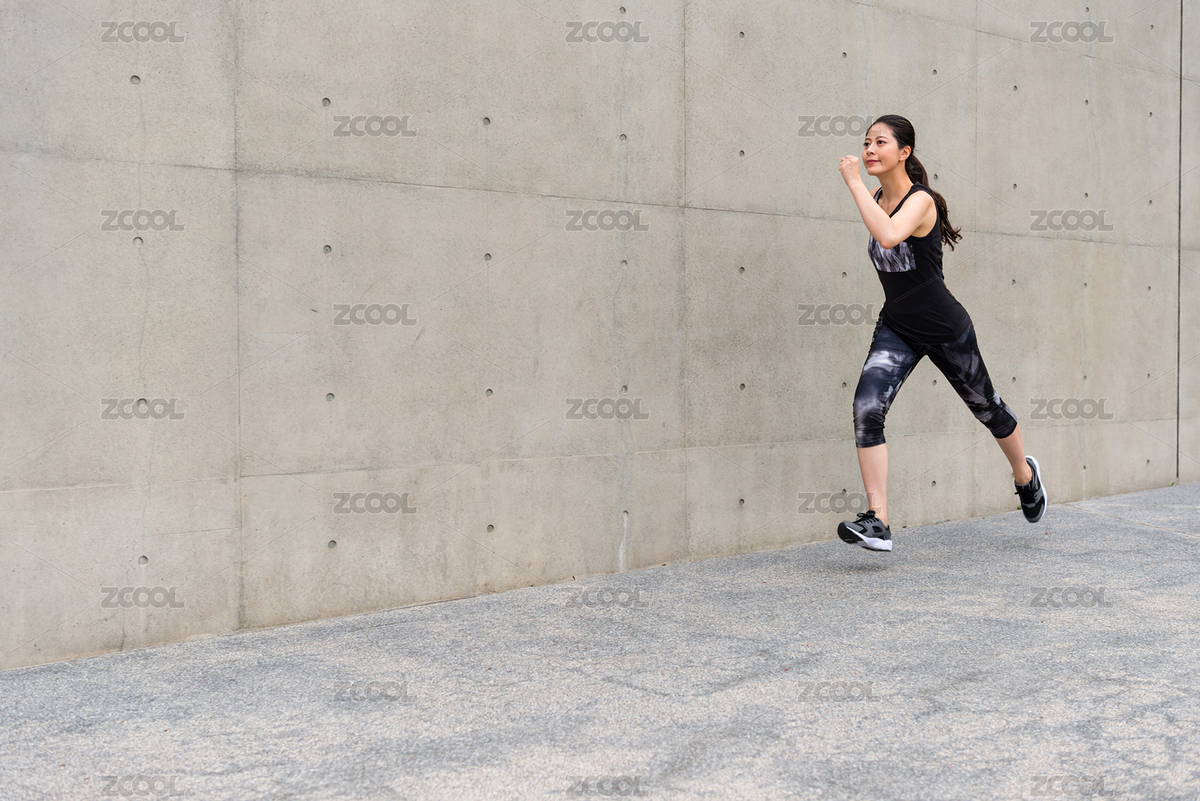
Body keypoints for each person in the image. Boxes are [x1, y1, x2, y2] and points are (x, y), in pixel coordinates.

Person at [834, 114, 1046, 552]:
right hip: (897, 327)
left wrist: (852, 182)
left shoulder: (921, 200)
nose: (869, 150)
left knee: (987, 409)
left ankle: (1025, 477)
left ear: (904, 152)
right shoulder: (878, 197)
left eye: (880, 142)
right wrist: (863, 189)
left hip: (945, 329)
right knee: (866, 407)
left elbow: (889, 236)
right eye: (866, 142)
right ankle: (878, 520)